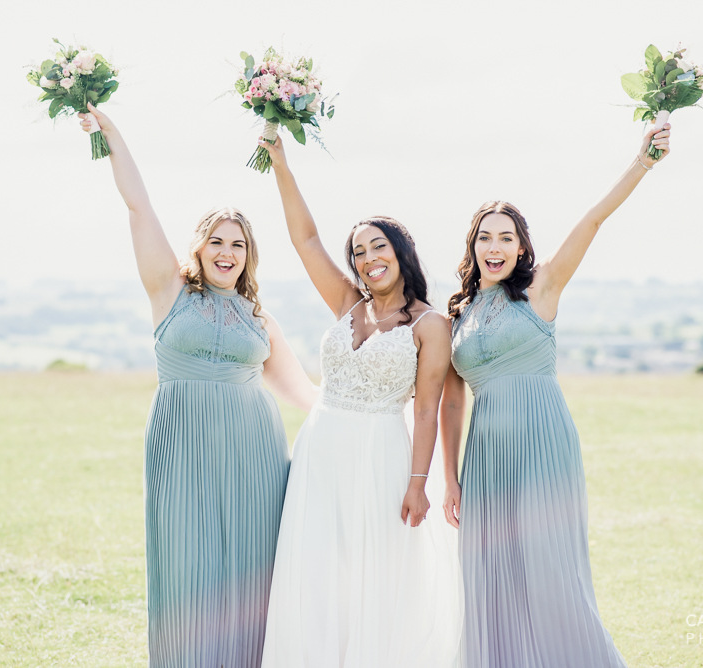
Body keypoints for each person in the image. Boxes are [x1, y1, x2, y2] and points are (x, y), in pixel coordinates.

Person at [79, 104, 318, 668]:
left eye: (238, 245)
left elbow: (307, 395)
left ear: (249, 256)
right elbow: (138, 206)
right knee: (186, 574)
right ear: (199, 247)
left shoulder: (259, 320)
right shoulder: (169, 290)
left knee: (252, 576)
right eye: (217, 241)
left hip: (255, 456)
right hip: (181, 447)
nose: (227, 253)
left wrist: (374, 414)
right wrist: (111, 133)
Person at [440, 122, 673, 667]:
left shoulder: (541, 288)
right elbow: (452, 403)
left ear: (522, 246)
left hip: (544, 446)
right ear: (472, 246)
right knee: (492, 574)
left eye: (506, 237)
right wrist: (450, 478)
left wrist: (643, 161)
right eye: (485, 237)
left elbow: (591, 220)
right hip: (486, 459)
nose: (495, 246)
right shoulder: (458, 315)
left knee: (551, 572)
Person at [255, 135, 463, 667]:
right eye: (359, 252)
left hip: (380, 456)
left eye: (378, 247)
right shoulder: (348, 302)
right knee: (316, 569)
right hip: (320, 450)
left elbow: (426, 409)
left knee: (375, 572)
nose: (368, 259)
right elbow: (305, 239)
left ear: (401, 251)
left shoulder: (430, 324)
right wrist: (280, 162)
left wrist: (418, 483)